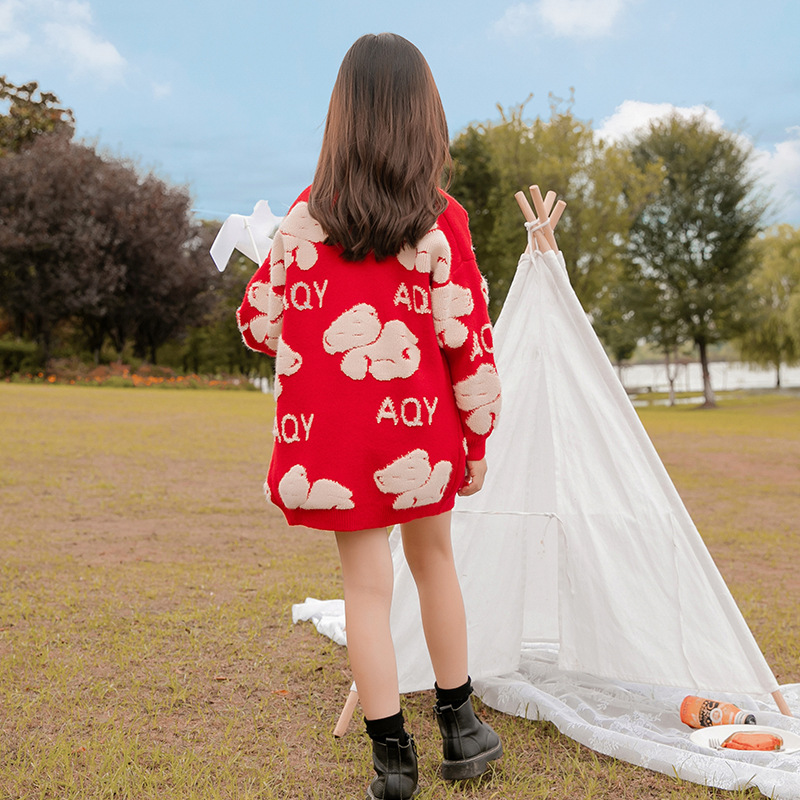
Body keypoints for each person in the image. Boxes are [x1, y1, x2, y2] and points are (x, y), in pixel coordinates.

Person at [237, 32, 503, 800]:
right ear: (425, 116)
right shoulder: (441, 219)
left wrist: (274, 261)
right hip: (422, 438)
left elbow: (259, 323)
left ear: (341, 119)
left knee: (364, 590)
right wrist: (477, 441)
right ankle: (461, 727)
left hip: (336, 447)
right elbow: (470, 343)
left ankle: (392, 760)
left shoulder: (304, 217)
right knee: (435, 564)